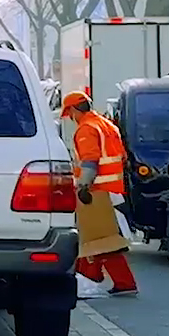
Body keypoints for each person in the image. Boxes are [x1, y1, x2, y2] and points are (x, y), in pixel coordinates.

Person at [62, 90, 139, 295]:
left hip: (98, 192)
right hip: (113, 190)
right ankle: (90, 277)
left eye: (69, 113)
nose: (70, 118)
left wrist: (83, 186)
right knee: (95, 239)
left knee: (103, 240)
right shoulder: (107, 125)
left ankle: (119, 283)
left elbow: (90, 161)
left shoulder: (86, 129)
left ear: (74, 110)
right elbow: (121, 157)